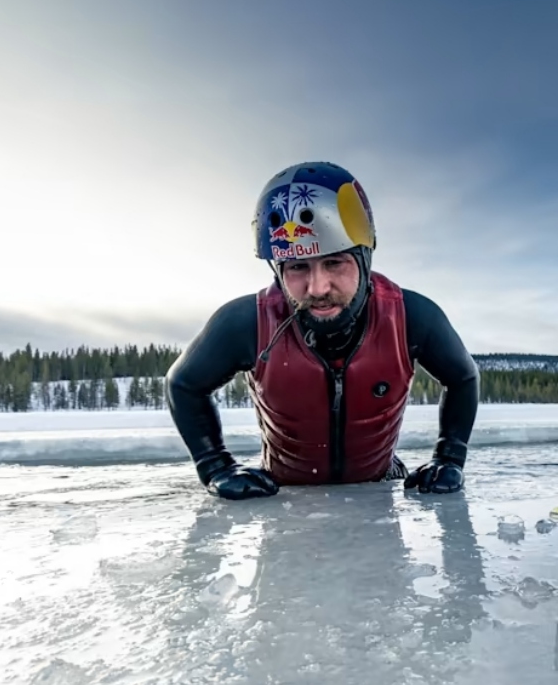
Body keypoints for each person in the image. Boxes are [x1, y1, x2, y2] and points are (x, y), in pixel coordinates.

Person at [166, 161, 479, 500]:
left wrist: (450, 458)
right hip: (284, 498)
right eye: (298, 267)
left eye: (334, 262)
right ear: (277, 270)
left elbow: (462, 377)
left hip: (379, 490)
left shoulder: (410, 316)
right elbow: (183, 384)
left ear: (363, 257)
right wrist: (215, 468)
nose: (317, 288)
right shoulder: (248, 322)